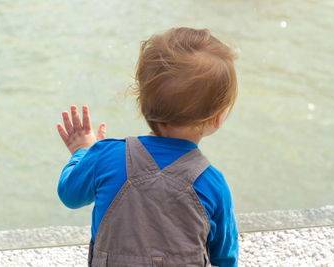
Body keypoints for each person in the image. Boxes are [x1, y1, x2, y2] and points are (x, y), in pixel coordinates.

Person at [57, 27, 239, 267]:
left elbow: (69, 194)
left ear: (142, 100)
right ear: (217, 119)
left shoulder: (105, 156)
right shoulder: (213, 184)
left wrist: (83, 151)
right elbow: (225, 259)